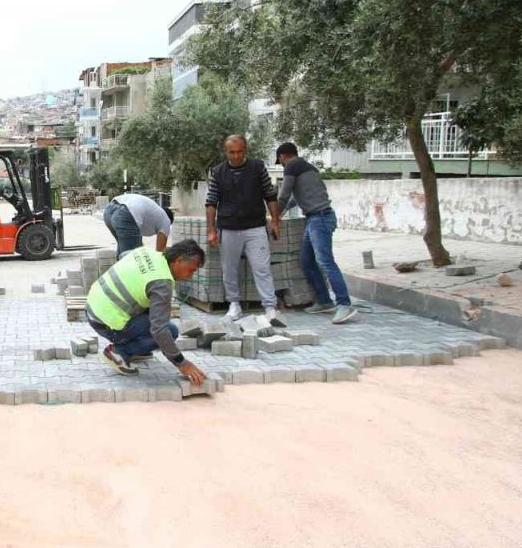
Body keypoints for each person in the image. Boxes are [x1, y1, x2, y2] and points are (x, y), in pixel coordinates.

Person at [85, 240, 209, 385]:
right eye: (191, 270)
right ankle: (118, 351)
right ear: (178, 260)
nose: (190, 276)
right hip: (106, 322)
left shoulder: (148, 252)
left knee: (155, 319)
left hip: (93, 306)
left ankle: (135, 349)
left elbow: (124, 255)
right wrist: (182, 363)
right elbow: (159, 330)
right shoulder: (162, 283)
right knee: (170, 331)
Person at [275, 143, 357, 324]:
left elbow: (284, 195)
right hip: (315, 219)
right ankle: (324, 301)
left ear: (282, 156)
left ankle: (344, 304)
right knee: (306, 260)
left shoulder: (292, 166)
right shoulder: (307, 167)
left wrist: (274, 217)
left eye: (280, 160)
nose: (281, 164)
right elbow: (298, 197)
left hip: (320, 219)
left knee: (326, 262)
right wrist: (282, 212)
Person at [205, 134, 282, 325]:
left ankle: (270, 308)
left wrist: (275, 220)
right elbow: (211, 202)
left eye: (240, 152)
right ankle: (234, 305)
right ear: (226, 152)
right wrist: (211, 230)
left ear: (245, 150)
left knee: (262, 268)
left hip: (255, 227)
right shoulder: (218, 172)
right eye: (232, 152)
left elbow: (270, 195)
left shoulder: (257, 167)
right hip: (229, 228)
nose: (236, 156)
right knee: (229, 269)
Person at [104, 192, 174, 259]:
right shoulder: (166, 220)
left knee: (124, 252)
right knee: (133, 257)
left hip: (109, 209)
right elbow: (159, 252)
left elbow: (137, 240)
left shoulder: (153, 213)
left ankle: (119, 270)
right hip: (126, 212)